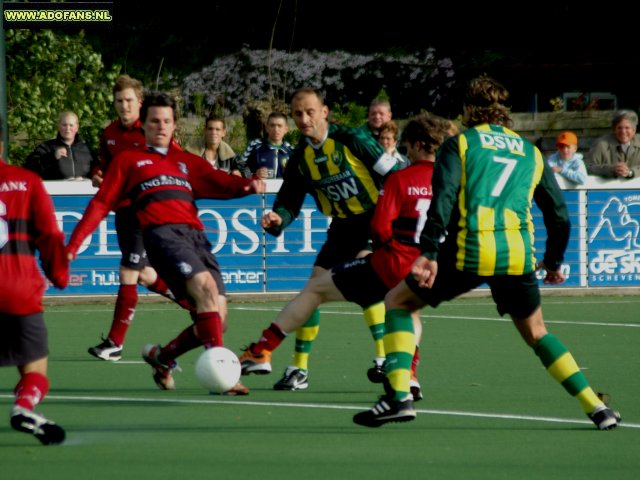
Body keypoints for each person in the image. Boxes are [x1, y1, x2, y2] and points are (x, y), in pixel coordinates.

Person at [353, 75, 621, 430]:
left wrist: (429, 250)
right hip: (516, 255)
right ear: (504, 112)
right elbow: (559, 216)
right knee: (538, 333)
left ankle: (398, 396)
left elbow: (444, 198)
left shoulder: (460, 144)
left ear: (468, 110)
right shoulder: (531, 152)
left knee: (398, 302)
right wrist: (554, 261)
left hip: (470, 249)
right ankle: (596, 408)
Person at [239, 112, 451, 399]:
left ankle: (263, 349)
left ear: (413, 145)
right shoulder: (452, 182)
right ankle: (408, 375)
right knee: (406, 308)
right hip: (430, 266)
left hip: (390, 257)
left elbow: (379, 225)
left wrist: (382, 249)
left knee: (316, 289)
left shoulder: (397, 176)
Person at [66, 92, 266, 393]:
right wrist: (73, 244)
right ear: (143, 125)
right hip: (162, 235)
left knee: (216, 318)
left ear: (175, 126)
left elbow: (221, 182)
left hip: (196, 236)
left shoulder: (186, 162)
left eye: (167, 121)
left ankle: (163, 357)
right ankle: (225, 377)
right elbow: (102, 202)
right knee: (207, 291)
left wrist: (248, 185)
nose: (161, 126)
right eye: (154, 121)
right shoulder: (129, 160)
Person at [238, 87, 401, 391]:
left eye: (310, 111)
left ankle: (387, 359)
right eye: (297, 113)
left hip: (374, 221)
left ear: (324, 112)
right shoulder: (300, 157)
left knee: (365, 283)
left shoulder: (354, 140)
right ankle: (299, 369)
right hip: (342, 228)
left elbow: (397, 174)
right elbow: (289, 201)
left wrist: (393, 214)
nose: (303, 118)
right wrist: (278, 219)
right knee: (312, 288)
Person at [86, 74, 190, 364]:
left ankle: (114, 343)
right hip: (124, 213)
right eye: (119, 101)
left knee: (128, 273)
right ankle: (191, 303)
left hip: (146, 212)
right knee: (143, 274)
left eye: (129, 100)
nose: (124, 106)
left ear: (140, 102)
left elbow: (180, 164)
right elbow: (104, 165)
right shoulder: (109, 134)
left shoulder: (152, 131)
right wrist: (97, 174)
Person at [0, 116, 69, 445]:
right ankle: (25, 406)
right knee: (35, 368)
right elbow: (50, 236)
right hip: (18, 292)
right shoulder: (26, 181)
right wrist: (59, 275)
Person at [25, 111, 97, 180]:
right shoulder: (46, 147)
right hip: (55, 191)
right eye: (64, 125)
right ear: (59, 126)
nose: (68, 129)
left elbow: (97, 171)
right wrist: (52, 157)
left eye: (71, 125)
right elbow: (30, 167)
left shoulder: (87, 149)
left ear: (77, 127)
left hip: (84, 191)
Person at [235, 111, 292, 179]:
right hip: (260, 189)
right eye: (272, 125)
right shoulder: (255, 146)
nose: (276, 129)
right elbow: (239, 169)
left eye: (279, 126)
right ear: (267, 127)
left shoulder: (292, 151)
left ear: (286, 129)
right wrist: (254, 174)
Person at [585, 109, 640, 179]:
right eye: (619, 128)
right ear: (614, 129)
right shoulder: (601, 144)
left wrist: (631, 172)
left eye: (627, 128)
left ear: (634, 130)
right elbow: (587, 167)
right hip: (608, 188)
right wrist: (611, 169)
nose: (623, 131)